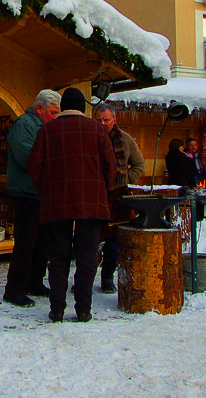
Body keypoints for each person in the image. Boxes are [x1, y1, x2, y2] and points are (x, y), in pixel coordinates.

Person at [28, 87, 118, 323]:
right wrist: (100, 190)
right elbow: (111, 167)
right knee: (87, 257)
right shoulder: (98, 130)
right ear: (83, 108)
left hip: (57, 202)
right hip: (91, 203)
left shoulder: (47, 130)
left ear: (64, 105)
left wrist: (46, 190)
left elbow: (34, 167)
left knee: (58, 257)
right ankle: (83, 309)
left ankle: (57, 309)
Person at [2, 89, 61, 307]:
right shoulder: (23, 125)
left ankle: (34, 282)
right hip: (26, 192)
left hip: (41, 193)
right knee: (25, 243)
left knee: (42, 243)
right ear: (39, 109)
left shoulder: (44, 126)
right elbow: (26, 156)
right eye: (53, 112)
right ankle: (14, 289)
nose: (55, 117)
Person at [92, 104, 145, 293]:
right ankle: (84, 279)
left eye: (106, 120)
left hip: (118, 196)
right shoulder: (90, 138)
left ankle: (107, 279)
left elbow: (139, 165)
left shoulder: (125, 140)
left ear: (114, 120)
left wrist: (124, 179)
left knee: (113, 241)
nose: (102, 123)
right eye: (99, 120)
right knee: (90, 239)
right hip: (95, 195)